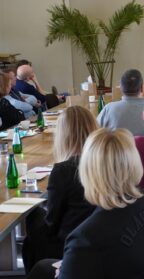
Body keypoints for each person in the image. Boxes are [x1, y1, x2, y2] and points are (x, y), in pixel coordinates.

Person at [27, 128, 144, 279]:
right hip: (138, 269)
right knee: (42, 268)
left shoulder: (85, 238)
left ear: (88, 173)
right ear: (134, 163)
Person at [22, 106, 97, 273]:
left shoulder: (63, 170)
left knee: (33, 221)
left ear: (63, 136)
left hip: (70, 245)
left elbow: (52, 222)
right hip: (98, 240)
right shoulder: (104, 163)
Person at [97, 69, 144, 136]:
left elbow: (96, 133)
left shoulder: (109, 109)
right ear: (142, 88)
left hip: (118, 146)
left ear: (120, 88)